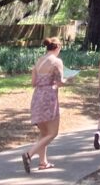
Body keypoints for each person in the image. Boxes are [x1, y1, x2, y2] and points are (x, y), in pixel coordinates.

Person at [22, 37, 66, 173]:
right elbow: (59, 82)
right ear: (57, 48)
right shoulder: (57, 62)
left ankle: (43, 162)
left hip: (37, 97)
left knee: (44, 132)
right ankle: (29, 154)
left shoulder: (39, 61)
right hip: (49, 97)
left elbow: (33, 82)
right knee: (53, 133)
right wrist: (69, 78)